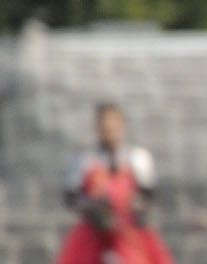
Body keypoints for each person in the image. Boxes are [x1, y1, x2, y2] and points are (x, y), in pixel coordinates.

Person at [54, 102, 175, 264]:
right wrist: (92, 208)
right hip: (94, 230)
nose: (109, 132)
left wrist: (136, 207)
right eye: (104, 128)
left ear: (121, 126)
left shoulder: (137, 158)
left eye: (113, 127)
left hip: (129, 230)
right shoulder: (85, 160)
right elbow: (72, 197)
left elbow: (147, 193)